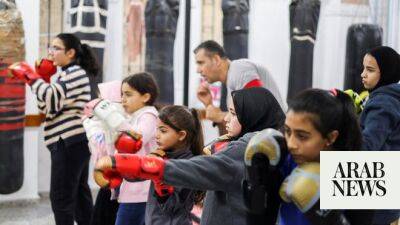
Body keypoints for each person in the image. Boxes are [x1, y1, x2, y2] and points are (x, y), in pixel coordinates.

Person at [95, 87, 286, 225]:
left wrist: (138, 165)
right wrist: (128, 170)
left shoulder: (251, 146)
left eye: (234, 113)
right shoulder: (246, 142)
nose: (227, 118)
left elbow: (204, 168)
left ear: (252, 115)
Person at [244, 88, 374, 225]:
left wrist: (326, 215)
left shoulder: (359, 174)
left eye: (302, 136)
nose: (291, 144)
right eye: (288, 131)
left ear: (330, 137)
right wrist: (256, 183)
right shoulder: (286, 160)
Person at [9, 33, 98, 225]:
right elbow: (48, 107)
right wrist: (45, 78)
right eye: (51, 47)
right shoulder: (64, 75)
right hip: (70, 142)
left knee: (61, 197)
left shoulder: (76, 72)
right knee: (79, 196)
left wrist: (32, 78)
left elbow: (51, 99)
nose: (51, 52)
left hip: (69, 141)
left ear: (71, 52)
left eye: (56, 48)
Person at [87, 73, 159, 225]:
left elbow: (135, 140)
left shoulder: (149, 115)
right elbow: (115, 153)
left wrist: (112, 117)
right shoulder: (130, 118)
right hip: (129, 189)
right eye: (121, 95)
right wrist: (105, 127)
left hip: (141, 190)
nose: (123, 99)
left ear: (145, 97)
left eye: (128, 94)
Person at [194, 40, 286, 129]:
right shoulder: (231, 81)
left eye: (201, 63)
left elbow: (257, 114)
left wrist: (220, 116)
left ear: (216, 60)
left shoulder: (240, 69)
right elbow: (232, 132)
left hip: (275, 134)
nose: (198, 70)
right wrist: (209, 105)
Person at [359, 46, 400, 225]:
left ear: (386, 72)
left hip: (376, 202)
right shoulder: (391, 97)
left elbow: (367, 146)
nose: (363, 74)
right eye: (363, 68)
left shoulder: (382, 103)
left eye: (370, 70)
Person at [82, 80, 122, 225]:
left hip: (119, 182)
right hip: (108, 181)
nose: (98, 104)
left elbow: (105, 149)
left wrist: (91, 126)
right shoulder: (100, 123)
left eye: (103, 100)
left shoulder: (122, 124)